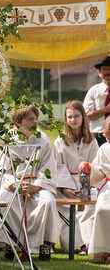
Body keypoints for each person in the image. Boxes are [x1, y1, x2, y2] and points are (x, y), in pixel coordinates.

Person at [0, 104, 60, 261]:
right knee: (7, 201)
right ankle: (11, 242)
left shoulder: (42, 138)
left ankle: (45, 244)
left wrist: (37, 185)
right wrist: (13, 185)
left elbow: (48, 168)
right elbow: (4, 169)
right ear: (18, 122)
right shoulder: (8, 139)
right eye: (30, 119)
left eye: (36, 119)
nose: (35, 122)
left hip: (37, 183)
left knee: (47, 202)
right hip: (14, 185)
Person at [53, 100, 98, 253]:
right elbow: (58, 166)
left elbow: (95, 164)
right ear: (66, 119)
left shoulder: (91, 140)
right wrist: (65, 187)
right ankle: (69, 244)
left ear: (83, 117)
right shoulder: (60, 140)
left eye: (76, 116)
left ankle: (87, 244)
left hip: (87, 184)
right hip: (66, 186)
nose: (73, 120)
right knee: (63, 206)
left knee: (89, 207)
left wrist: (86, 184)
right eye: (69, 117)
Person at [79, 116, 110, 265]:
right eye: (106, 137)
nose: (107, 141)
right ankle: (106, 251)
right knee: (102, 210)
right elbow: (99, 173)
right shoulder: (104, 148)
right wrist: (89, 168)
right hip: (108, 189)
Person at [83, 56, 110, 146]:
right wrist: (106, 109)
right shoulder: (94, 91)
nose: (108, 72)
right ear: (99, 73)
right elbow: (87, 116)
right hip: (98, 134)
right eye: (105, 69)